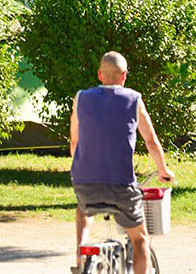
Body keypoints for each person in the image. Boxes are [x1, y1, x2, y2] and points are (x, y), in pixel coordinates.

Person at [70, 51, 174, 274]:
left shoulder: (81, 98)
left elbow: (75, 142)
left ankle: (80, 255)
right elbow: (151, 142)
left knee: (83, 208)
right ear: (124, 75)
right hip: (121, 186)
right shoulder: (134, 99)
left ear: (99, 74)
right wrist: (162, 170)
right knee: (140, 240)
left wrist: (80, 168)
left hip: (84, 182)